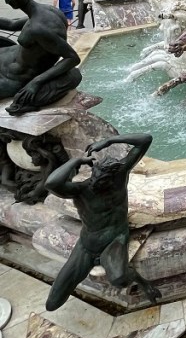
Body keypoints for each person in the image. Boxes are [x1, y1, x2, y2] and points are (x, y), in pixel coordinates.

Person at [44, 133, 160, 310]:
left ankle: (143, 282)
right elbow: (51, 184)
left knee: (119, 278)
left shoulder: (120, 175)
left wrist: (109, 140)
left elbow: (146, 139)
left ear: (113, 176)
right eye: (96, 176)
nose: (97, 181)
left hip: (115, 239)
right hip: (87, 245)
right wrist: (76, 161)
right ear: (93, 171)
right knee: (52, 303)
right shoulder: (81, 190)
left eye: (104, 179)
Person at [0, 0, 82, 114]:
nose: (7, 2)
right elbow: (12, 24)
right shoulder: (47, 10)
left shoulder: (39, 28)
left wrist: (36, 82)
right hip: (7, 59)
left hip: (13, 78)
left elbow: (72, 58)